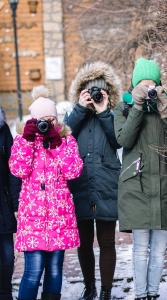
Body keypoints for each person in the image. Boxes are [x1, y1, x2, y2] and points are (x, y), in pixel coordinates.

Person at [114, 57, 167, 300]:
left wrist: (166, 111)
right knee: (140, 250)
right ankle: (140, 295)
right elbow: (124, 140)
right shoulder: (123, 107)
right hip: (137, 185)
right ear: (134, 85)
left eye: (152, 85)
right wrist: (136, 108)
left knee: (159, 250)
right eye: (143, 86)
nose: (148, 91)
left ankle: (153, 295)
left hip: (164, 184)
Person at [9, 85, 83, 300]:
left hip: (59, 218)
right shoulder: (23, 141)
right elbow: (18, 170)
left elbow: (74, 171)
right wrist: (27, 141)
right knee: (33, 272)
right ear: (33, 121)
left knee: (54, 270)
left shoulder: (66, 141)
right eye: (44, 120)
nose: (49, 124)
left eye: (53, 119)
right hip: (33, 219)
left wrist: (57, 145)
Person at [64, 61, 122, 300]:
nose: (95, 96)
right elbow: (63, 136)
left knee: (107, 241)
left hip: (107, 181)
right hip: (81, 183)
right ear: (81, 93)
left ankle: (106, 291)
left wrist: (103, 110)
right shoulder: (75, 115)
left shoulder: (112, 113)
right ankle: (90, 287)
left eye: (100, 91)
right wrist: (80, 108)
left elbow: (118, 140)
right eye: (90, 91)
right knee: (84, 241)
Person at [0, 107, 21, 300]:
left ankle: (5, 294)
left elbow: (13, 169)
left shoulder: (2, 129)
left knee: (6, 257)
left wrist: (16, 204)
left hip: (2, 204)